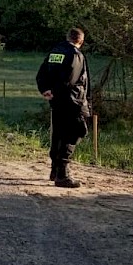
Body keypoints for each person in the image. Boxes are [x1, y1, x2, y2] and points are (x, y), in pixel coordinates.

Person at [36, 28, 91, 188]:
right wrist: (56, 91)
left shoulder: (55, 52)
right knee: (76, 132)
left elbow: (41, 73)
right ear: (81, 41)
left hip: (56, 101)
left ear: (67, 37)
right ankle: (63, 174)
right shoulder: (76, 55)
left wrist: (45, 89)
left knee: (58, 134)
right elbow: (71, 79)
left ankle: (54, 170)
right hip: (73, 101)